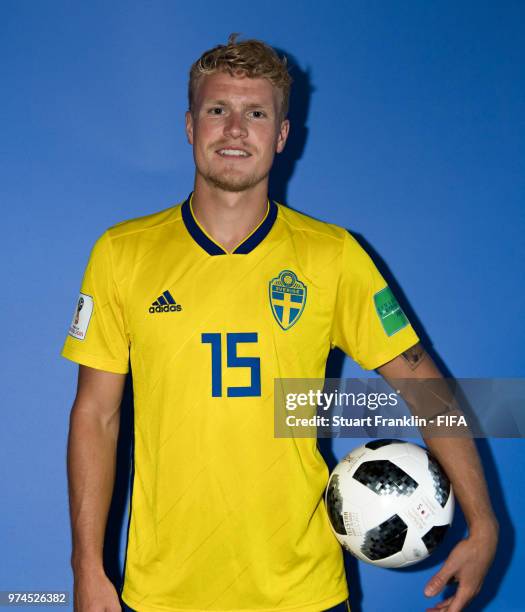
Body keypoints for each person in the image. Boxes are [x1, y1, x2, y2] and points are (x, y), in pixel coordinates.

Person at [62, 34, 498, 612]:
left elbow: (425, 384)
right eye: (218, 110)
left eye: (257, 113)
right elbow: (96, 413)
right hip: (162, 592)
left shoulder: (333, 255)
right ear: (190, 126)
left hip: (303, 592)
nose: (236, 129)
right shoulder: (122, 254)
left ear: (282, 135)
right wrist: (86, 567)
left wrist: (484, 522)